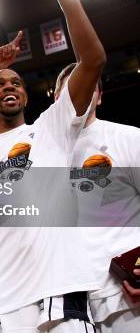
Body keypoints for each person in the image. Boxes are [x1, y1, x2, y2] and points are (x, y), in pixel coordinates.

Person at [0, 0, 106, 331]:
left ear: (26, 97)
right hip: (2, 302)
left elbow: (92, 60)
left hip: (59, 290)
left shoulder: (49, 129)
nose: (9, 86)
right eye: (0, 85)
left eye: (17, 83)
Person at [54, 64, 140, 332]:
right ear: (57, 99)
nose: (80, 91)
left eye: (89, 85)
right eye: (71, 87)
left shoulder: (128, 137)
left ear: (100, 96)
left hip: (128, 291)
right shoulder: (45, 154)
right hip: (76, 304)